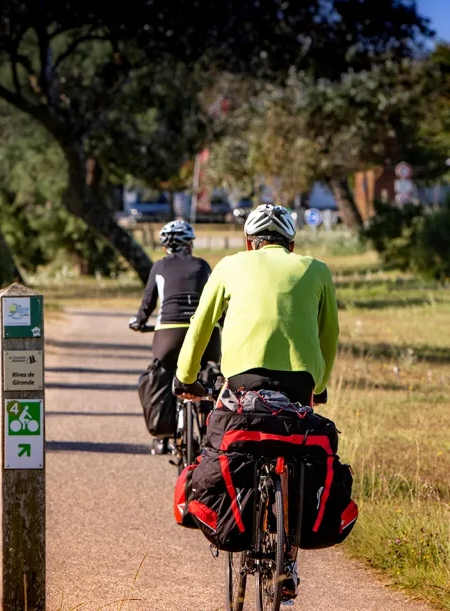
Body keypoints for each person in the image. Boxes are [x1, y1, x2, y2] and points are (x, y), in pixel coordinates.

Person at [172, 204, 339, 600]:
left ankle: (245, 523)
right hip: (300, 382)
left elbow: (200, 326)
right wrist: (320, 383)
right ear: (292, 243)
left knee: (237, 439)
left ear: (250, 242)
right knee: (294, 449)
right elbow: (328, 334)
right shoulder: (316, 269)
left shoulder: (230, 266)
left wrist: (186, 377)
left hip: (243, 380)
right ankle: (289, 558)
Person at [129, 220, 221, 454]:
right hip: (204, 332)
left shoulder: (159, 267)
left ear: (165, 247)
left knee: (165, 373)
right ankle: (212, 431)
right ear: (189, 245)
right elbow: (214, 298)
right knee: (210, 372)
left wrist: (139, 322)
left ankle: (163, 435)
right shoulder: (202, 266)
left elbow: (149, 302)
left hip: (168, 333)